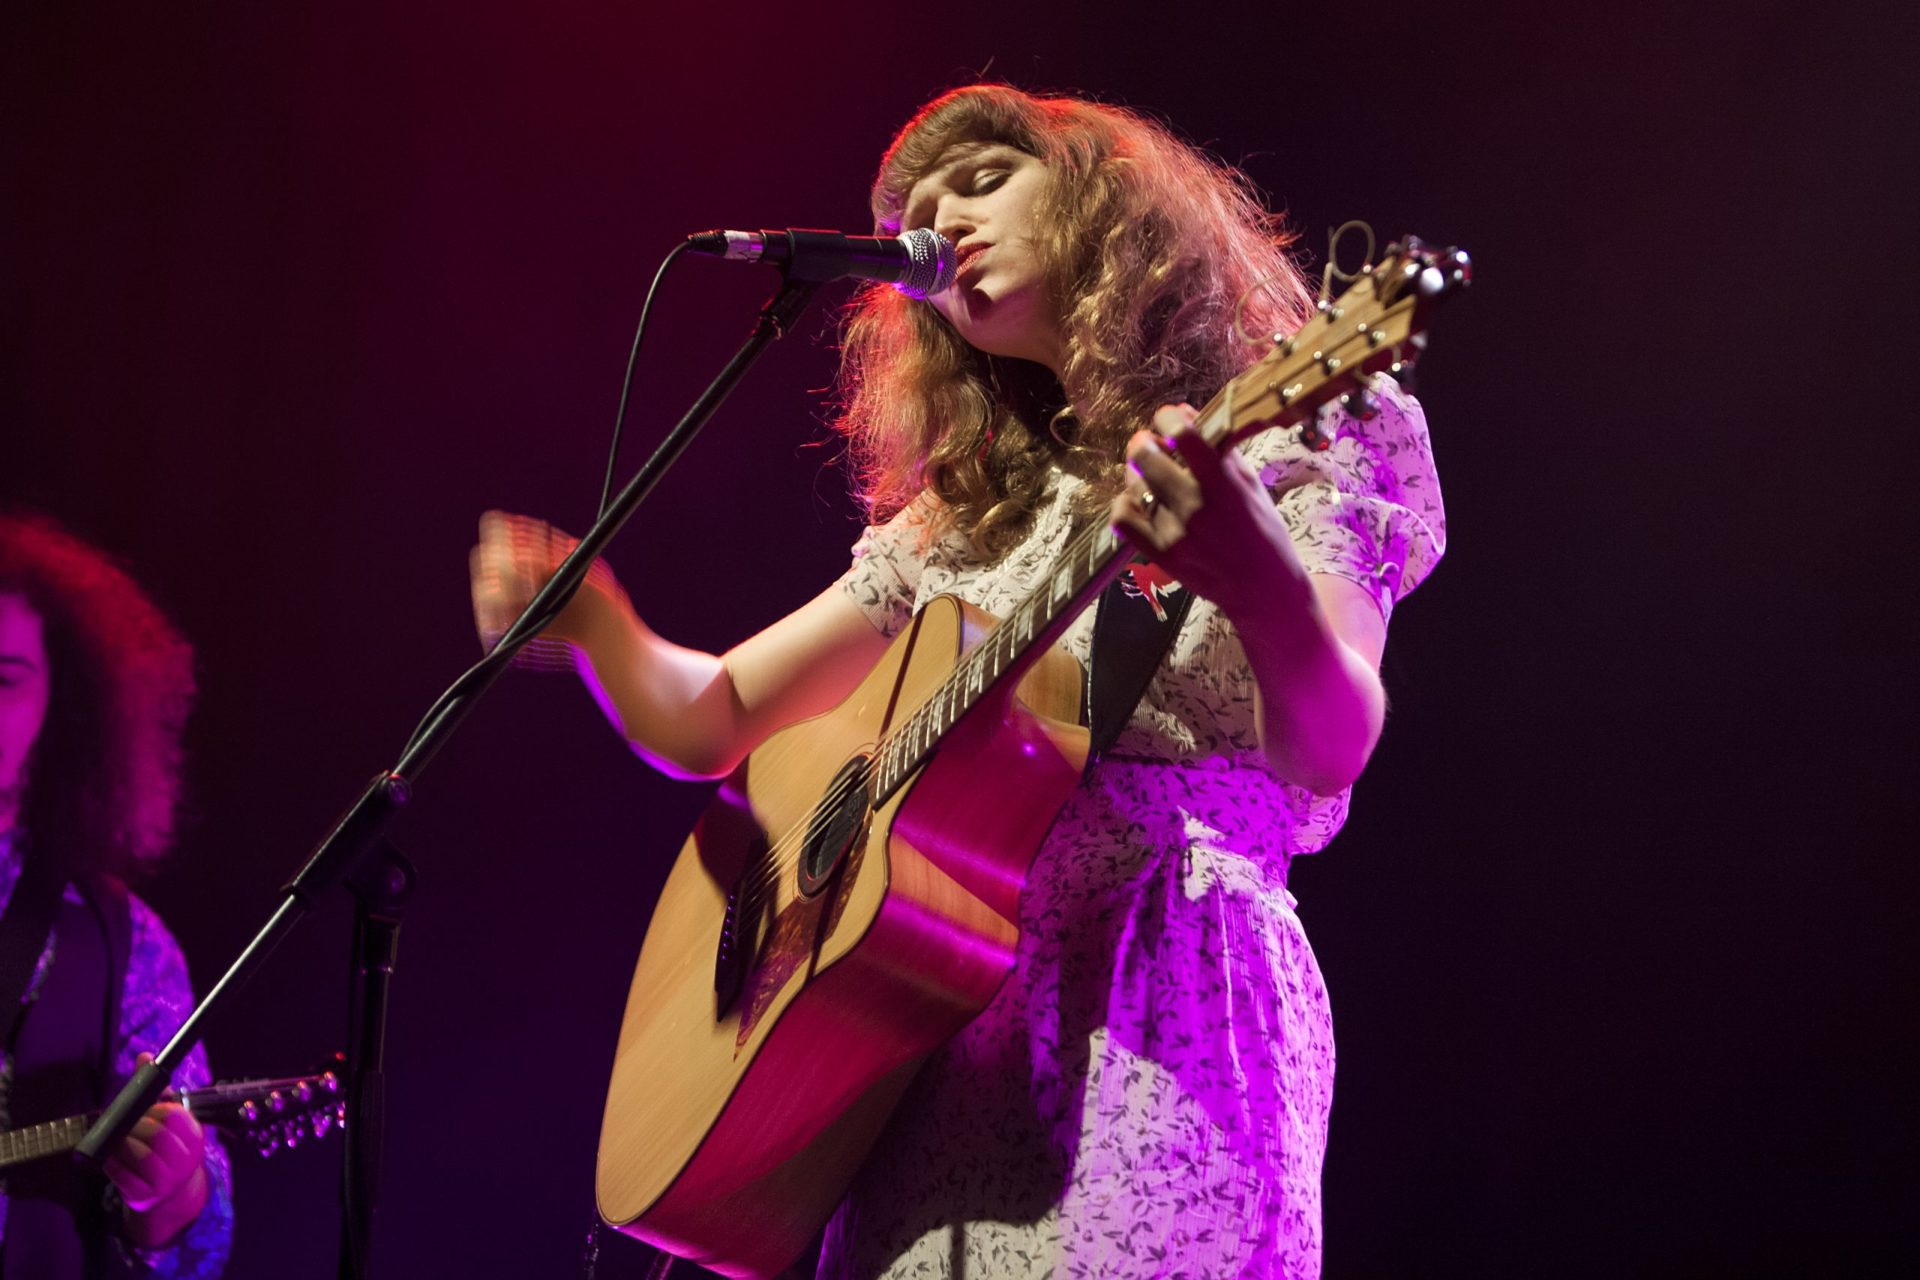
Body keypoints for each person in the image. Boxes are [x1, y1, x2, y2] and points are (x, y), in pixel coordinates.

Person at [472, 85, 1445, 1279]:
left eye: (982, 182)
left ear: (1100, 196)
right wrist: (596, 627)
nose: (945, 225)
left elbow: (1332, 742)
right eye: (919, 217)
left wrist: (1259, 579)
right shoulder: (964, 518)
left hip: (1160, 1003)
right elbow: (714, 714)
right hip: (928, 1046)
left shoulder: (1308, 426)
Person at [0, 513, 232, 1278]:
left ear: (56, 711)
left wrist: (170, 1191)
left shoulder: (122, 941)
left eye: (4, 679)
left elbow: (202, 1246)